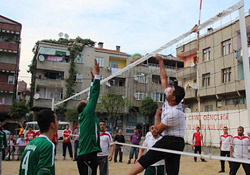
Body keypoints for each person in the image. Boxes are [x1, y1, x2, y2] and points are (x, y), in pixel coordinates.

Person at [128, 55, 185, 175]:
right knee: (172, 171)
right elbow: (164, 79)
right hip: (176, 142)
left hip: (172, 140)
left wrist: (156, 116)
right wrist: (160, 62)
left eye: (171, 90)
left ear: (173, 97)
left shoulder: (174, 112)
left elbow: (157, 130)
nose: (168, 90)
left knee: (146, 159)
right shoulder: (171, 101)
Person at [76, 59, 102, 175]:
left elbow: (90, 95)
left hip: (85, 154)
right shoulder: (87, 113)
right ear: (85, 108)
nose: (88, 101)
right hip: (88, 155)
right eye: (87, 102)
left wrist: (92, 80)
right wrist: (97, 74)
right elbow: (94, 94)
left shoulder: (84, 116)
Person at [19, 109, 58, 175]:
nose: (58, 123)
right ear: (52, 125)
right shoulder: (47, 145)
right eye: (57, 120)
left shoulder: (30, 144)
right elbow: (43, 172)